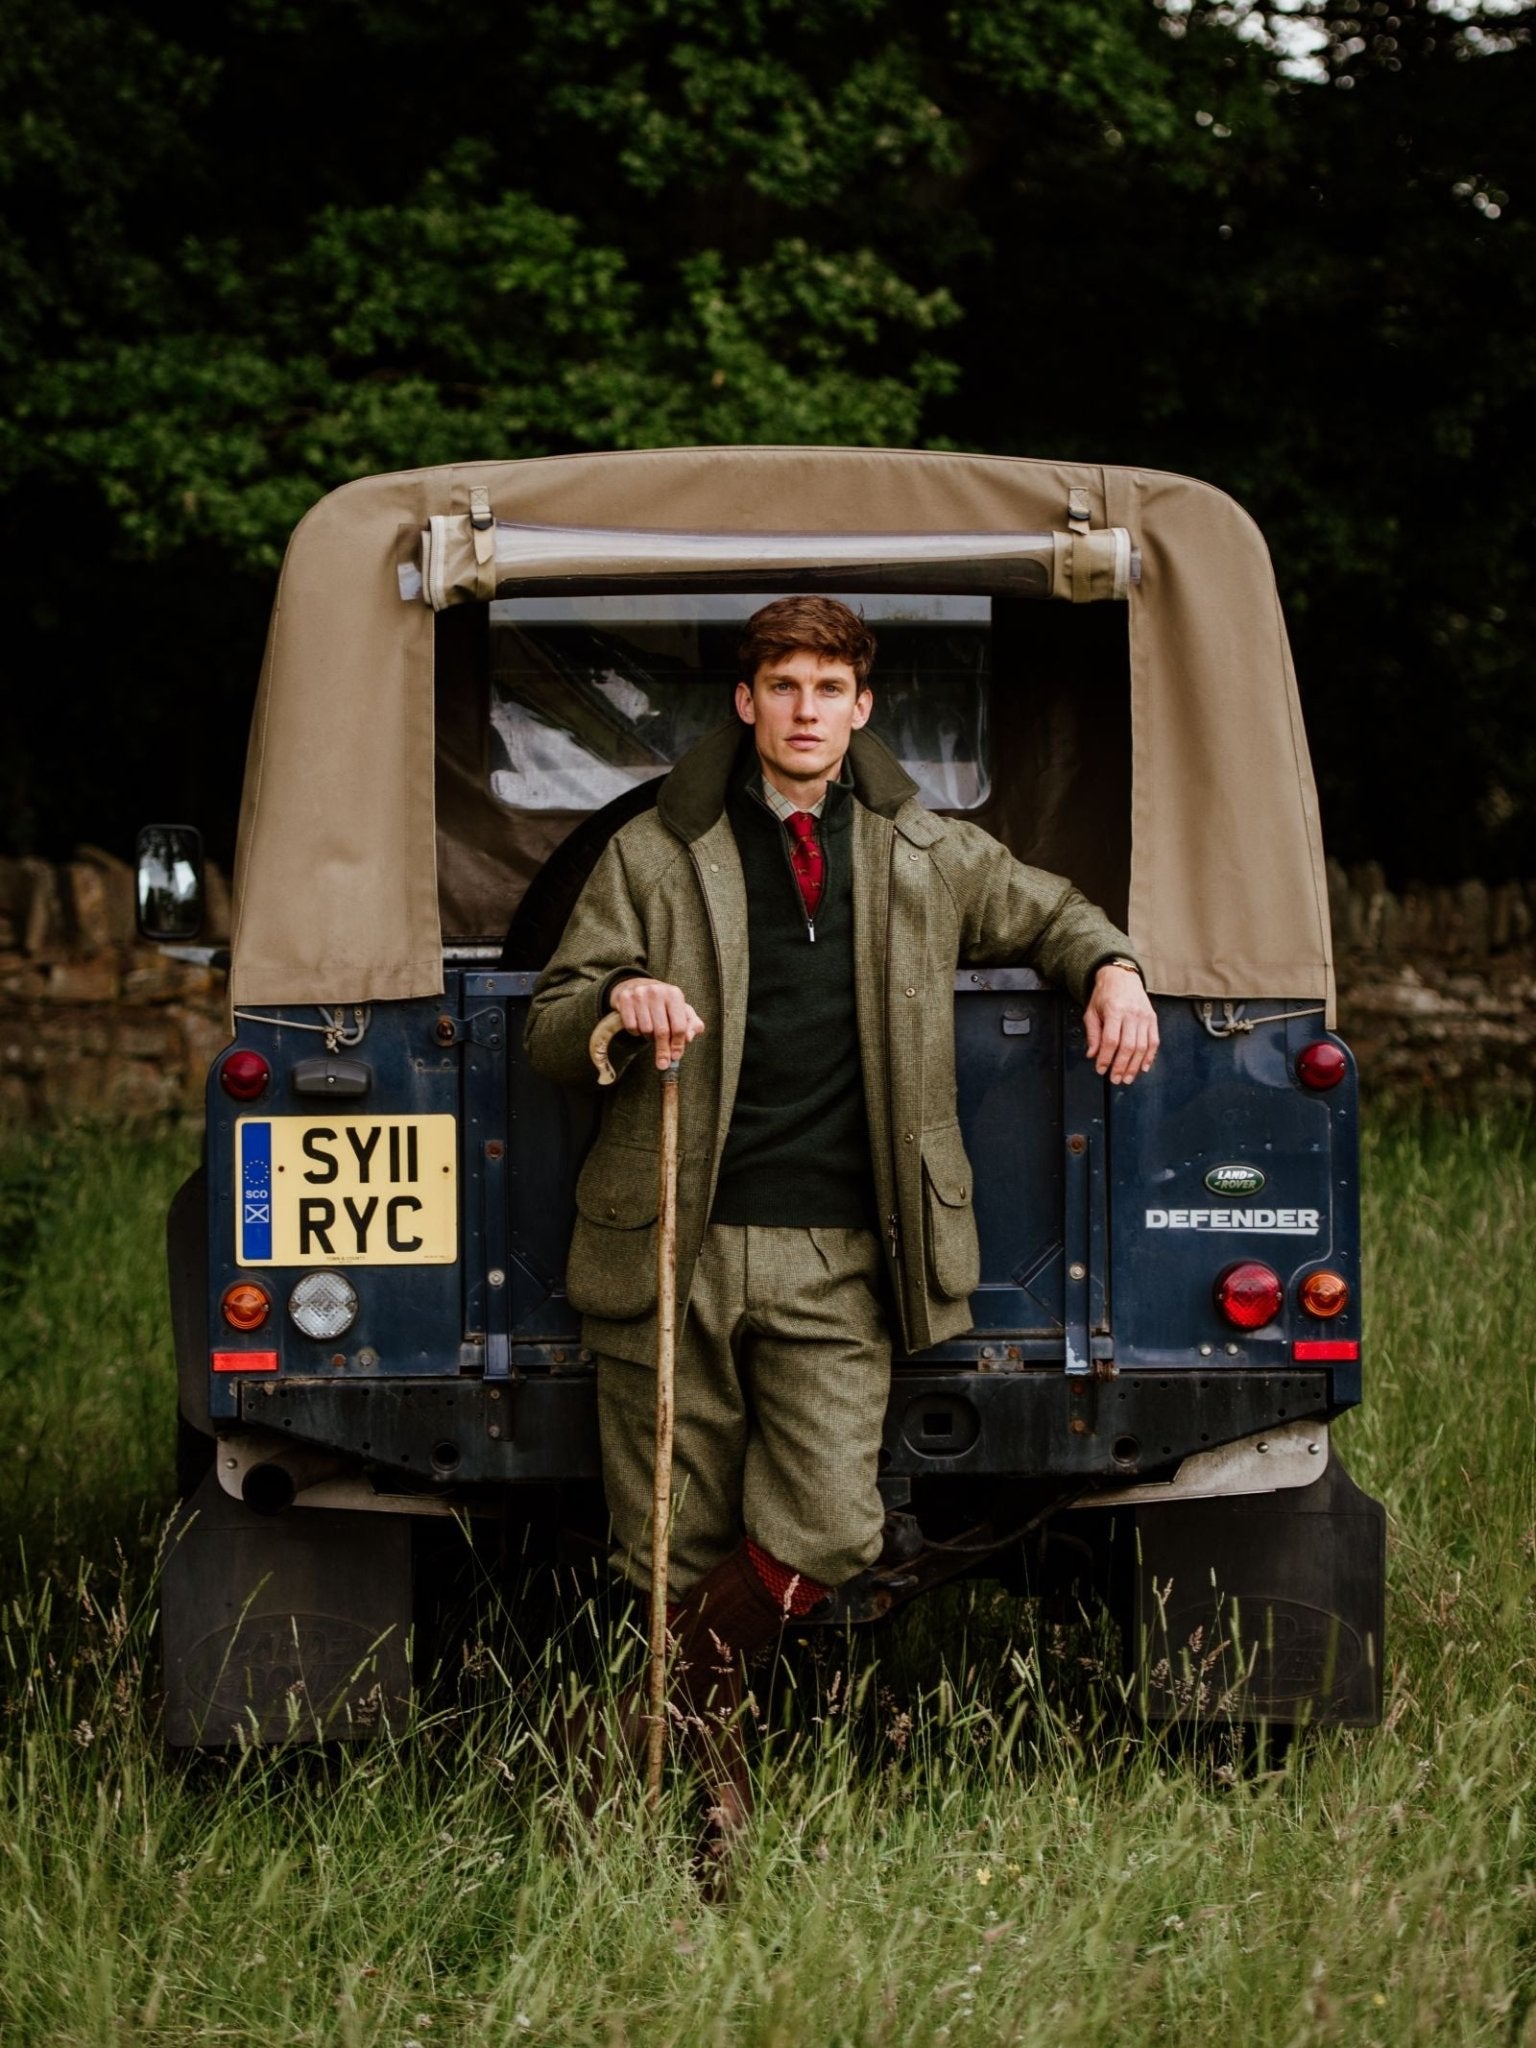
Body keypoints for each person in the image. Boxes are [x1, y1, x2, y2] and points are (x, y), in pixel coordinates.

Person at [525, 595, 1157, 1820]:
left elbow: (1057, 912)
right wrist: (623, 997)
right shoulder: (655, 853)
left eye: (829, 689)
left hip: (842, 1252)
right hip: (668, 1241)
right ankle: (710, 1808)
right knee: (669, 1547)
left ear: (864, 707)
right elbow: (557, 1019)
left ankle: (631, 1724)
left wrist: (1115, 969)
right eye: (783, 686)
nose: (805, 710)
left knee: (828, 1529)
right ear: (746, 703)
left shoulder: (926, 853)